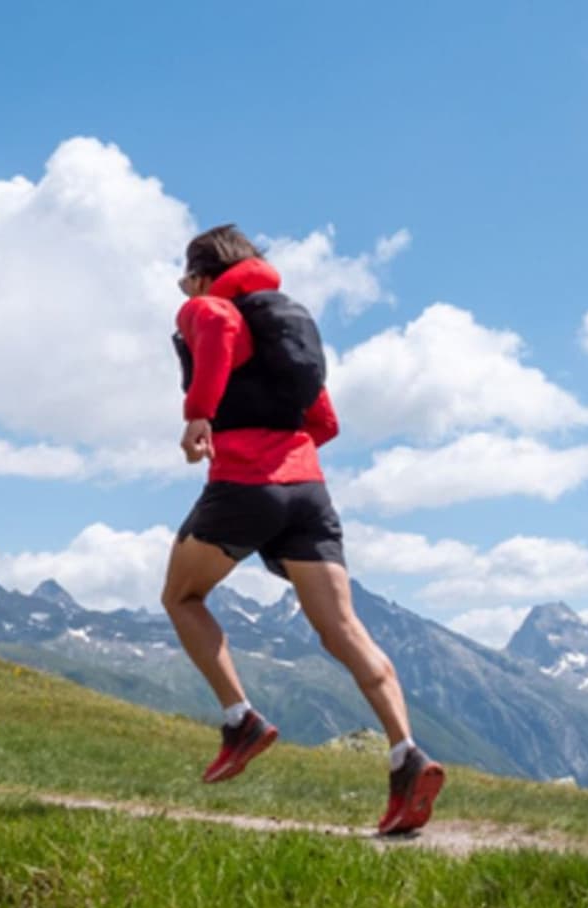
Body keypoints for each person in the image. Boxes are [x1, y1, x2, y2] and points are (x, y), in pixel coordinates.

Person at [161, 224, 443, 836]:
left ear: (205, 274)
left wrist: (200, 415)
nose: (186, 291)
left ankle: (240, 720)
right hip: (308, 490)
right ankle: (406, 755)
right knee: (342, 631)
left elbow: (214, 328)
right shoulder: (286, 322)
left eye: (188, 277)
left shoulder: (214, 308)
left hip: (245, 483)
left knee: (181, 597)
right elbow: (326, 417)